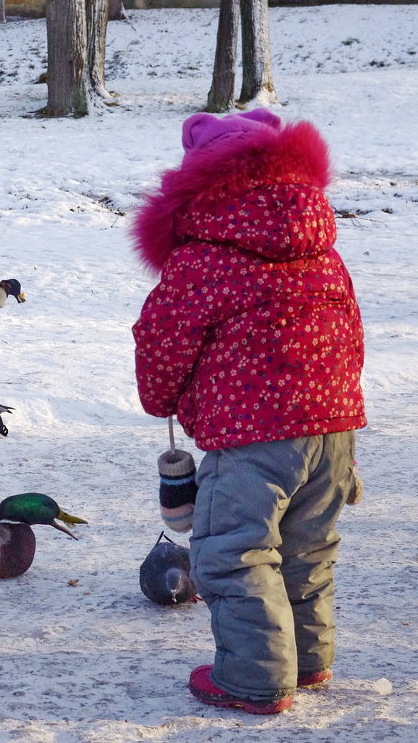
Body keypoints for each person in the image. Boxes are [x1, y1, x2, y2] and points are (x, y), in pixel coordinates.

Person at [132, 109, 366, 715]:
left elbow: (164, 339)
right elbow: (351, 333)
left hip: (252, 437)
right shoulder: (322, 250)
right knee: (307, 548)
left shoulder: (204, 258)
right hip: (333, 429)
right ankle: (308, 661)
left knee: (235, 553)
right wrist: (337, 402)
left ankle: (255, 679)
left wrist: (160, 399)